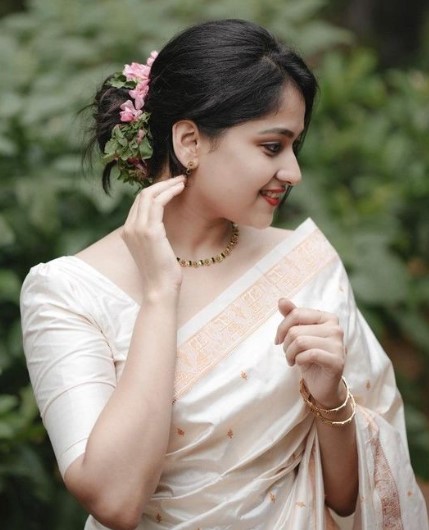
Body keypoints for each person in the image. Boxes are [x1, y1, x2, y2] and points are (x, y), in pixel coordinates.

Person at [20, 18, 427, 530]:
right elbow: (114, 500)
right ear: (189, 141)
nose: (293, 172)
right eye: (272, 146)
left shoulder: (305, 266)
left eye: (295, 147)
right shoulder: (67, 292)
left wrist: (330, 398)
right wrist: (160, 294)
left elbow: (346, 501)